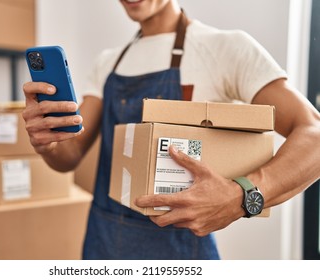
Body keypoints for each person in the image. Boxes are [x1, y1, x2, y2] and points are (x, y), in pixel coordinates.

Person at [22, 0, 320, 259]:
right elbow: (69, 155)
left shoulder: (225, 48)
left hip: (181, 253)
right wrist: (47, 142)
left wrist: (243, 196)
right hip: (105, 243)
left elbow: (314, 135)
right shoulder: (108, 63)